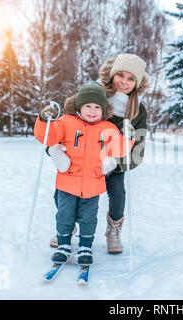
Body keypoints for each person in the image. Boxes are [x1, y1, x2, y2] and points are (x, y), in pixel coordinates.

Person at [49, 53, 149, 255]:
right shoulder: (93, 95)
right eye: (120, 75)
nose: (124, 82)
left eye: (131, 78)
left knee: (117, 191)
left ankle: (113, 230)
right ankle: (68, 225)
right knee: (63, 191)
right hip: (81, 157)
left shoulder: (137, 110)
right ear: (112, 74)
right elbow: (66, 123)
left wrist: (112, 163)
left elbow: (137, 149)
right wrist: (56, 149)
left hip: (113, 161)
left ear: (137, 83)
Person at [34, 81, 134, 265]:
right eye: (88, 105)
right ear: (79, 105)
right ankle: (64, 245)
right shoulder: (66, 122)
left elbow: (119, 150)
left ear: (104, 109)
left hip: (93, 184)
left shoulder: (107, 128)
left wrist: (129, 138)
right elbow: (47, 137)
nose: (92, 110)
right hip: (67, 182)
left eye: (97, 107)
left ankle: (85, 246)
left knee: (89, 218)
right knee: (64, 216)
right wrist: (43, 119)